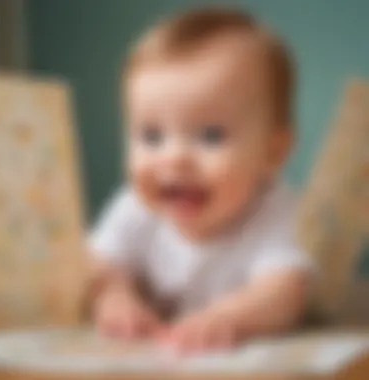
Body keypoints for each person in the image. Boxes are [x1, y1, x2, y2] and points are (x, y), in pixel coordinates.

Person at [87, 6, 317, 353]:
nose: (174, 157)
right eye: (151, 136)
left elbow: (285, 292)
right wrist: (114, 298)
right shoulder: (136, 205)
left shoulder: (279, 212)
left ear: (273, 153)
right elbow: (99, 265)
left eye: (211, 136)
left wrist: (230, 316)